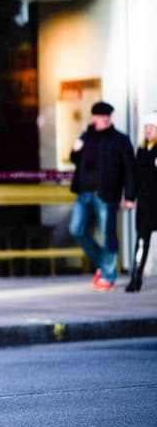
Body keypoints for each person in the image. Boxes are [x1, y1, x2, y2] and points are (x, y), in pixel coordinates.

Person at [69, 101, 135, 291]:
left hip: (106, 194)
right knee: (76, 229)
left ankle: (107, 275)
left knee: (108, 236)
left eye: (108, 116)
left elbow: (129, 170)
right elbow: (76, 160)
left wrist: (129, 196)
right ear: (94, 118)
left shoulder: (120, 140)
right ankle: (102, 263)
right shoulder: (86, 136)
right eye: (101, 116)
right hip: (84, 193)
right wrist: (74, 150)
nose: (105, 119)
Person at [127, 112, 157, 292]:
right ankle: (135, 278)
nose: (148, 130)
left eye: (152, 127)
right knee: (141, 242)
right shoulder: (141, 151)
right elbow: (134, 177)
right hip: (145, 205)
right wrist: (130, 197)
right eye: (146, 127)